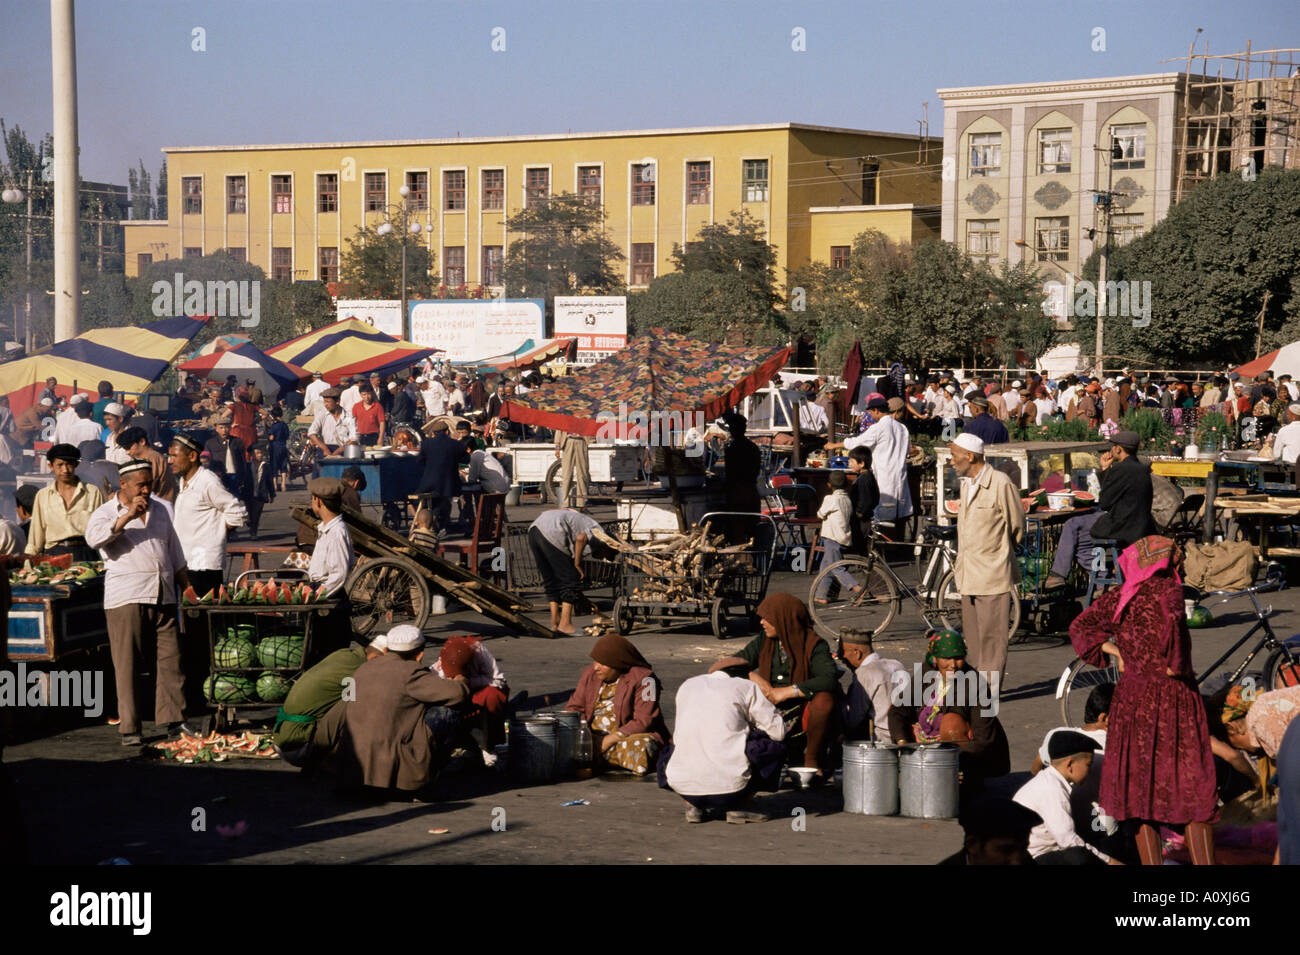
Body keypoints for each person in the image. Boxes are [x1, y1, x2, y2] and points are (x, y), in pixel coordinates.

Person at [1069, 535, 1218, 865]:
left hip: (1131, 702)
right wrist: (1174, 666)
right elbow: (1177, 655)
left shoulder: (1121, 595)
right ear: (1168, 563)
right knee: (1192, 792)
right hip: (1172, 702)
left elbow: (1081, 627)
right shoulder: (1170, 593)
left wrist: (1117, 650)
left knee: (1140, 796)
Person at [85, 460, 192, 746]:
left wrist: (188, 588)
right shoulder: (105, 512)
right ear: (124, 485)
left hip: (163, 591)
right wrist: (127, 517)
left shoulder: (161, 509)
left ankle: (174, 720)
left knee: (171, 660)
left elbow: (175, 553)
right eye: (140, 485)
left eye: (149, 483)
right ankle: (130, 728)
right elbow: (94, 539)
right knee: (127, 662)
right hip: (126, 596)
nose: (146, 489)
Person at [710, 592, 838, 778]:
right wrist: (756, 678)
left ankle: (811, 759)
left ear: (784, 620)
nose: (762, 622)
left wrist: (786, 692)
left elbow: (829, 678)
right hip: (769, 704)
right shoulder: (765, 641)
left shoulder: (814, 645)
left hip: (801, 705)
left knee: (824, 700)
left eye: (767, 619)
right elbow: (731, 664)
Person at [338, 625, 470, 793]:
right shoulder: (410, 672)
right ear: (419, 654)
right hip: (387, 768)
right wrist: (460, 680)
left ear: (387, 649)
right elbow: (457, 694)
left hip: (352, 771)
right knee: (448, 712)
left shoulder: (363, 668)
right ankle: (423, 780)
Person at [888, 629, 1012, 796]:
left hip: (964, 751)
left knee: (951, 723)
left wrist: (942, 758)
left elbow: (984, 738)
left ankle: (965, 779)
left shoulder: (975, 685)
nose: (953, 665)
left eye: (958, 658)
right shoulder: (926, 672)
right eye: (946, 659)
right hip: (928, 743)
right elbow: (898, 710)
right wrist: (903, 744)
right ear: (935, 659)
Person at [661, 664, 787, 824]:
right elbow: (778, 732)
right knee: (773, 745)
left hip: (681, 784)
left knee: (681, 744)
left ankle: (692, 804)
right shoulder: (746, 686)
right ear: (742, 675)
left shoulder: (688, 684)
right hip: (731, 789)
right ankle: (742, 805)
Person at [949, 432, 1024, 694]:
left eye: (955, 456)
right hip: (968, 574)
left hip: (992, 573)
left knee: (992, 640)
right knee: (974, 639)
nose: (952, 461)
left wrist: (999, 553)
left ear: (970, 456)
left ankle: (987, 694)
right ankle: (976, 689)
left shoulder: (1000, 483)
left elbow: (1017, 526)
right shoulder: (966, 484)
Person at [1044, 430, 1155, 590]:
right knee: (1082, 539)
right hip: (1139, 525)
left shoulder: (1121, 469)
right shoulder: (1142, 469)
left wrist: (1105, 471)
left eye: (1113, 447)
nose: (1110, 450)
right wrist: (1106, 470)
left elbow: (1105, 502)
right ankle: (1104, 578)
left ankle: (1058, 575)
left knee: (1072, 525)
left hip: (1121, 525)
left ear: (1118, 449)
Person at [565, 634, 669, 775]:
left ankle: (594, 756)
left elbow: (644, 720)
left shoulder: (645, 679)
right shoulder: (589, 674)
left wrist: (609, 740)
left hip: (626, 735)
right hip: (592, 736)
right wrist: (586, 735)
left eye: (602, 663)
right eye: (595, 661)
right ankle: (599, 755)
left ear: (618, 663)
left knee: (643, 746)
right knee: (565, 739)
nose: (596, 667)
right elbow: (574, 708)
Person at [1013, 731, 1121, 865]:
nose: (1090, 770)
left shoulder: (1049, 781)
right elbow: (1069, 842)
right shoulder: (1051, 790)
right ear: (1069, 764)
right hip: (1033, 857)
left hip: (1039, 852)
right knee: (1078, 855)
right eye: (1088, 765)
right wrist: (1110, 862)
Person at [274, 636, 384, 768]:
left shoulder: (344, 654)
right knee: (362, 699)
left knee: (352, 695)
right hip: (299, 746)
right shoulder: (361, 669)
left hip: (282, 739)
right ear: (378, 657)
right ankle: (333, 761)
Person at [528, 507, 621, 634]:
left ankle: (555, 621)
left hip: (534, 529)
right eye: (605, 555)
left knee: (551, 579)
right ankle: (565, 624)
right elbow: (581, 538)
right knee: (571, 577)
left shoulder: (586, 524)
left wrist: (582, 600)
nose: (602, 558)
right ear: (606, 547)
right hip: (553, 530)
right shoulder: (600, 533)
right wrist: (577, 564)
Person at [831, 397, 913, 525]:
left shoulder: (879, 427)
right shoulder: (903, 428)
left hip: (884, 475)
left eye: (870, 412)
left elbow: (857, 442)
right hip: (900, 475)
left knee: (884, 515)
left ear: (876, 410)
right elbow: (907, 451)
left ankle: (880, 541)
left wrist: (834, 445)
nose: (869, 415)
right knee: (898, 514)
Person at [429, 635, 509, 761]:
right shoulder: (444, 660)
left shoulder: (479, 651)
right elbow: (432, 676)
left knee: (491, 696)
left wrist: (469, 682)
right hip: (460, 693)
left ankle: (488, 745)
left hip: (481, 691)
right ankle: (460, 742)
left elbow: (499, 680)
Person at [25, 444, 105, 561]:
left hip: (85, 552)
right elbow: (36, 536)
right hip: (53, 553)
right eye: (60, 465)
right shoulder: (43, 495)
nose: (65, 470)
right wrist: (28, 561)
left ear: (76, 464)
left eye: (69, 464)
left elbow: (101, 529)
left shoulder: (92, 492)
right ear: (51, 466)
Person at [306, 477, 357, 657]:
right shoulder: (326, 528)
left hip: (330, 600)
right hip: (322, 594)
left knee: (329, 652)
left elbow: (340, 574)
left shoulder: (337, 532)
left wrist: (318, 596)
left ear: (318, 501)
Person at [838, 628, 906, 745]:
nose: (842, 657)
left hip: (883, 738)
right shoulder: (897, 664)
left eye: (842, 652)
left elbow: (854, 719)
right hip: (905, 732)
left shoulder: (864, 673)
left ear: (857, 653)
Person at [938, 796, 1042, 865]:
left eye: (1023, 848)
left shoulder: (1026, 861)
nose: (1016, 861)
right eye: (1006, 850)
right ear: (972, 845)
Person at [415, 419, 469, 534]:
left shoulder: (426, 444)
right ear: (447, 432)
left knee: (431, 500)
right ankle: (443, 523)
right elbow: (466, 459)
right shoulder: (455, 444)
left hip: (428, 484)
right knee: (445, 499)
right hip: (448, 485)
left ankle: (432, 522)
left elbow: (419, 461)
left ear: (434, 433)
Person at [812, 470, 857, 604]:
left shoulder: (830, 499)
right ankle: (822, 595)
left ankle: (857, 588)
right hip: (844, 537)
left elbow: (820, 514)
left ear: (829, 485)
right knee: (825, 567)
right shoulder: (847, 499)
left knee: (836, 567)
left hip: (832, 538)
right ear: (847, 485)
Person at [117, 426, 176, 502]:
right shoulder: (149, 458)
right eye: (125, 449)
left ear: (142, 441)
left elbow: (145, 487)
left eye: (129, 447)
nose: (127, 452)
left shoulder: (152, 458)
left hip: (159, 506)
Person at [306, 388, 357, 473]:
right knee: (318, 477)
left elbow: (354, 439)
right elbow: (311, 433)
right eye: (324, 401)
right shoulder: (322, 414)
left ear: (337, 402)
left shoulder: (348, 416)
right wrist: (325, 448)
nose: (325, 404)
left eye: (328, 402)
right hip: (324, 448)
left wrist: (337, 452)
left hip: (342, 450)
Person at [205, 415, 250, 498]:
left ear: (230, 428)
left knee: (235, 498)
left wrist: (243, 475)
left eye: (226, 427)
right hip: (218, 475)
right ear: (216, 429)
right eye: (221, 428)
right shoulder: (211, 443)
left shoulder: (237, 441)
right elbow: (206, 460)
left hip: (234, 475)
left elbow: (242, 460)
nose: (224, 430)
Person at [553, 428, 591, 510]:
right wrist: (557, 448)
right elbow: (559, 429)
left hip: (581, 441)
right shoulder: (566, 415)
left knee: (582, 474)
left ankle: (582, 503)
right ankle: (565, 503)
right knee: (567, 474)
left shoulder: (585, 415)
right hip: (568, 441)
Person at [245, 443, 276, 538]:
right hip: (249, 493)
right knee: (249, 513)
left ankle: (253, 532)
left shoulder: (266, 466)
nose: (259, 455)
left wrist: (272, 494)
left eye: (261, 453)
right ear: (251, 455)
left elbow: (269, 481)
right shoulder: (246, 465)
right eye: (257, 453)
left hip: (261, 494)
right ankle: (251, 524)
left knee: (257, 514)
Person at [267, 406, 291, 492]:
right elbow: (287, 435)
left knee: (274, 466)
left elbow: (271, 437)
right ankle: (283, 484)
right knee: (283, 466)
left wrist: (268, 437)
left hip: (275, 447)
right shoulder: (285, 425)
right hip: (283, 446)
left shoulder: (274, 426)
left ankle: (275, 485)